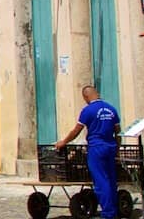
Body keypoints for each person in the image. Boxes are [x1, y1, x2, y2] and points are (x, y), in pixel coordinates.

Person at [55, 85, 121, 219]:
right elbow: (118, 131)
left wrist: (64, 141)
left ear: (85, 97)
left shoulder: (88, 110)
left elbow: (76, 131)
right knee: (110, 179)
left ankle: (108, 214)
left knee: (101, 181)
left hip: (96, 148)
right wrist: (117, 148)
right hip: (110, 146)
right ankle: (113, 210)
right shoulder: (111, 109)